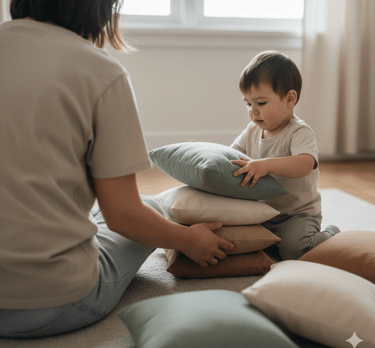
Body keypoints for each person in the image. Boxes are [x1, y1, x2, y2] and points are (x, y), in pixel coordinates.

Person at [0, 0, 236, 338]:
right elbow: (124, 216)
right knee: (150, 208)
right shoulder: (99, 71)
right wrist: (188, 240)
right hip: (50, 303)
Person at [229, 50, 340, 261]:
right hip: (260, 212)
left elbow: (305, 164)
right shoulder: (251, 131)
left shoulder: (299, 132)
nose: (253, 111)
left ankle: (330, 234)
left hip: (297, 214)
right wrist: (203, 151)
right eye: (248, 103)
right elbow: (230, 155)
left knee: (295, 251)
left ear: (290, 98)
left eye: (260, 103)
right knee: (239, 241)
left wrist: (266, 165)